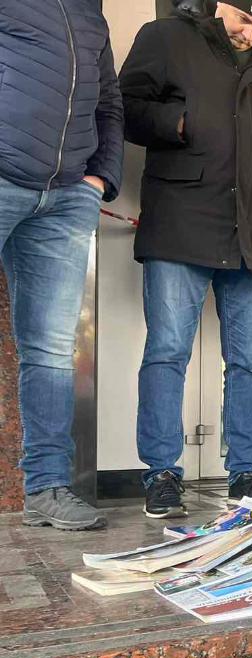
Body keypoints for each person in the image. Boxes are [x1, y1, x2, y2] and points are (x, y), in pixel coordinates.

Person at [120, 0, 252, 516]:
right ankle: (162, 473)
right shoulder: (167, 37)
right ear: (222, 5)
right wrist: (182, 122)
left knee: (249, 361)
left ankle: (243, 472)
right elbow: (123, 105)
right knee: (168, 350)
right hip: (182, 220)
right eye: (245, 20)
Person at [0, 0, 123, 530]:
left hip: (68, 196)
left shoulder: (90, 12)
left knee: (51, 350)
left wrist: (99, 178)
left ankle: (46, 488)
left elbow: (110, 103)